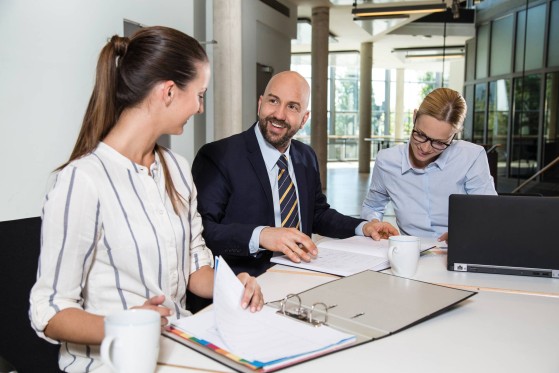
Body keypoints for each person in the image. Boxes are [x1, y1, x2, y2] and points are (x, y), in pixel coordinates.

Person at [29, 26, 263, 372]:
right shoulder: (82, 180)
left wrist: (233, 287)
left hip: (179, 350)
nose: (200, 107)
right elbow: (48, 310)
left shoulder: (178, 169)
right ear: (169, 91)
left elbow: (194, 265)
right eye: (200, 94)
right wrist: (126, 326)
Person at [191, 71, 398, 277]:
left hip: (301, 275)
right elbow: (202, 231)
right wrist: (261, 235)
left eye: (292, 106)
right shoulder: (218, 156)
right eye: (273, 101)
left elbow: (317, 214)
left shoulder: (306, 156)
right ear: (260, 103)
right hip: (246, 283)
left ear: (304, 118)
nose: (279, 115)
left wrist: (362, 227)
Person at [361, 87, 497, 242]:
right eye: (420, 135)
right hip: (411, 253)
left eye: (439, 142)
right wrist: (374, 222)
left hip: (461, 250)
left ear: (454, 135)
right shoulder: (387, 161)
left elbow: (488, 212)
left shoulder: (471, 156)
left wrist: (465, 233)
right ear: (414, 117)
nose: (425, 148)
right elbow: (372, 207)